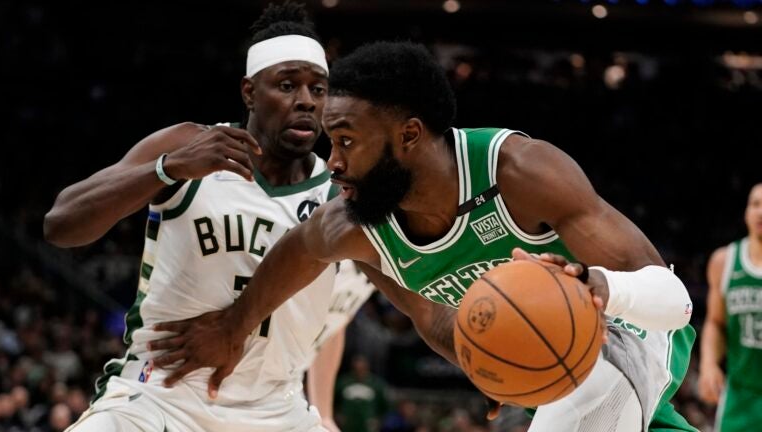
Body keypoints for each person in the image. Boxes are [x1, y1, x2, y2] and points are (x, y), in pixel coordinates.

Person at [148, 41, 697, 432]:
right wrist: (233, 325)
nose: (331, 163)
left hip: (630, 327)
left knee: (586, 400)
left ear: (408, 135)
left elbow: (668, 295)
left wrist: (601, 288)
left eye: (345, 141)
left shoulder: (519, 172)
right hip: (559, 357)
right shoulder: (355, 223)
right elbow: (428, 316)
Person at [42, 3, 359, 431]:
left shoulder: (340, 192)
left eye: (318, 90)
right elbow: (60, 224)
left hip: (277, 409)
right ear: (249, 92)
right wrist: (167, 167)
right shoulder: (190, 144)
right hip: (157, 398)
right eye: (287, 86)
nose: (305, 101)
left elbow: (418, 307)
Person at [698, 183, 762, 432]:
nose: (760, 212)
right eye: (755, 204)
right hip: (739, 397)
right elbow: (716, 322)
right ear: (746, 212)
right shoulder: (724, 261)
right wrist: (708, 364)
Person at [307, 261, 376, 432]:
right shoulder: (325, 251)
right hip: (253, 375)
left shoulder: (382, 264)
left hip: (286, 384)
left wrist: (323, 415)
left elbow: (334, 326)